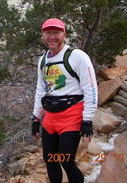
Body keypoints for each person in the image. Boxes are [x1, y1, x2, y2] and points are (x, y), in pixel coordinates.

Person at [31, 18, 98, 183]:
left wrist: (87, 120)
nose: (52, 37)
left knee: (66, 160)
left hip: (72, 115)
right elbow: (41, 90)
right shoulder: (43, 60)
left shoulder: (77, 56)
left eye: (56, 32)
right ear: (42, 35)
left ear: (64, 34)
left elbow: (91, 88)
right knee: (50, 159)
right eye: (48, 33)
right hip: (51, 118)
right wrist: (35, 117)